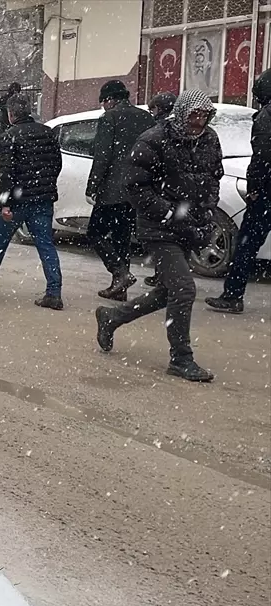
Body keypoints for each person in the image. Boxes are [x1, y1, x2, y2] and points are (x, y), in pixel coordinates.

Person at [95, 91, 223, 383]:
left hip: (189, 225)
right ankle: (181, 358)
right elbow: (135, 186)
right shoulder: (153, 139)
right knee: (184, 289)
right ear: (181, 113)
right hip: (159, 228)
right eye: (193, 114)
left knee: (168, 291)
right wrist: (167, 213)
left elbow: (213, 177)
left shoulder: (209, 140)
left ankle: (112, 318)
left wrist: (204, 215)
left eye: (204, 115)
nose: (198, 121)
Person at [0, 94, 64, 309]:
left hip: (18, 201)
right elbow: (57, 164)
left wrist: (4, 204)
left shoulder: (10, 136)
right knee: (46, 245)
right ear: (28, 111)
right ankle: (54, 292)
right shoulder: (47, 133)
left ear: (10, 114)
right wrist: (45, 187)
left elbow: (6, 175)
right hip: (42, 200)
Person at [206, 69, 271, 314]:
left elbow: (262, 157)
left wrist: (254, 188)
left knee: (246, 245)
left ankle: (233, 295)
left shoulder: (266, 116)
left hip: (266, 192)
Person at [86, 80, 155, 301]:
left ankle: (120, 273)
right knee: (121, 237)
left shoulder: (110, 118)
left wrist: (93, 185)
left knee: (94, 233)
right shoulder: (146, 117)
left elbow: (102, 156)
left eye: (104, 102)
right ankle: (120, 289)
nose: (104, 106)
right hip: (138, 189)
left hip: (113, 190)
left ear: (109, 100)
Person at [142, 91, 178, 288]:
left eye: (152, 109)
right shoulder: (182, 127)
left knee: (159, 234)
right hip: (177, 190)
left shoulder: (159, 129)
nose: (151, 113)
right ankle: (167, 274)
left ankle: (162, 275)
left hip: (161, 188)